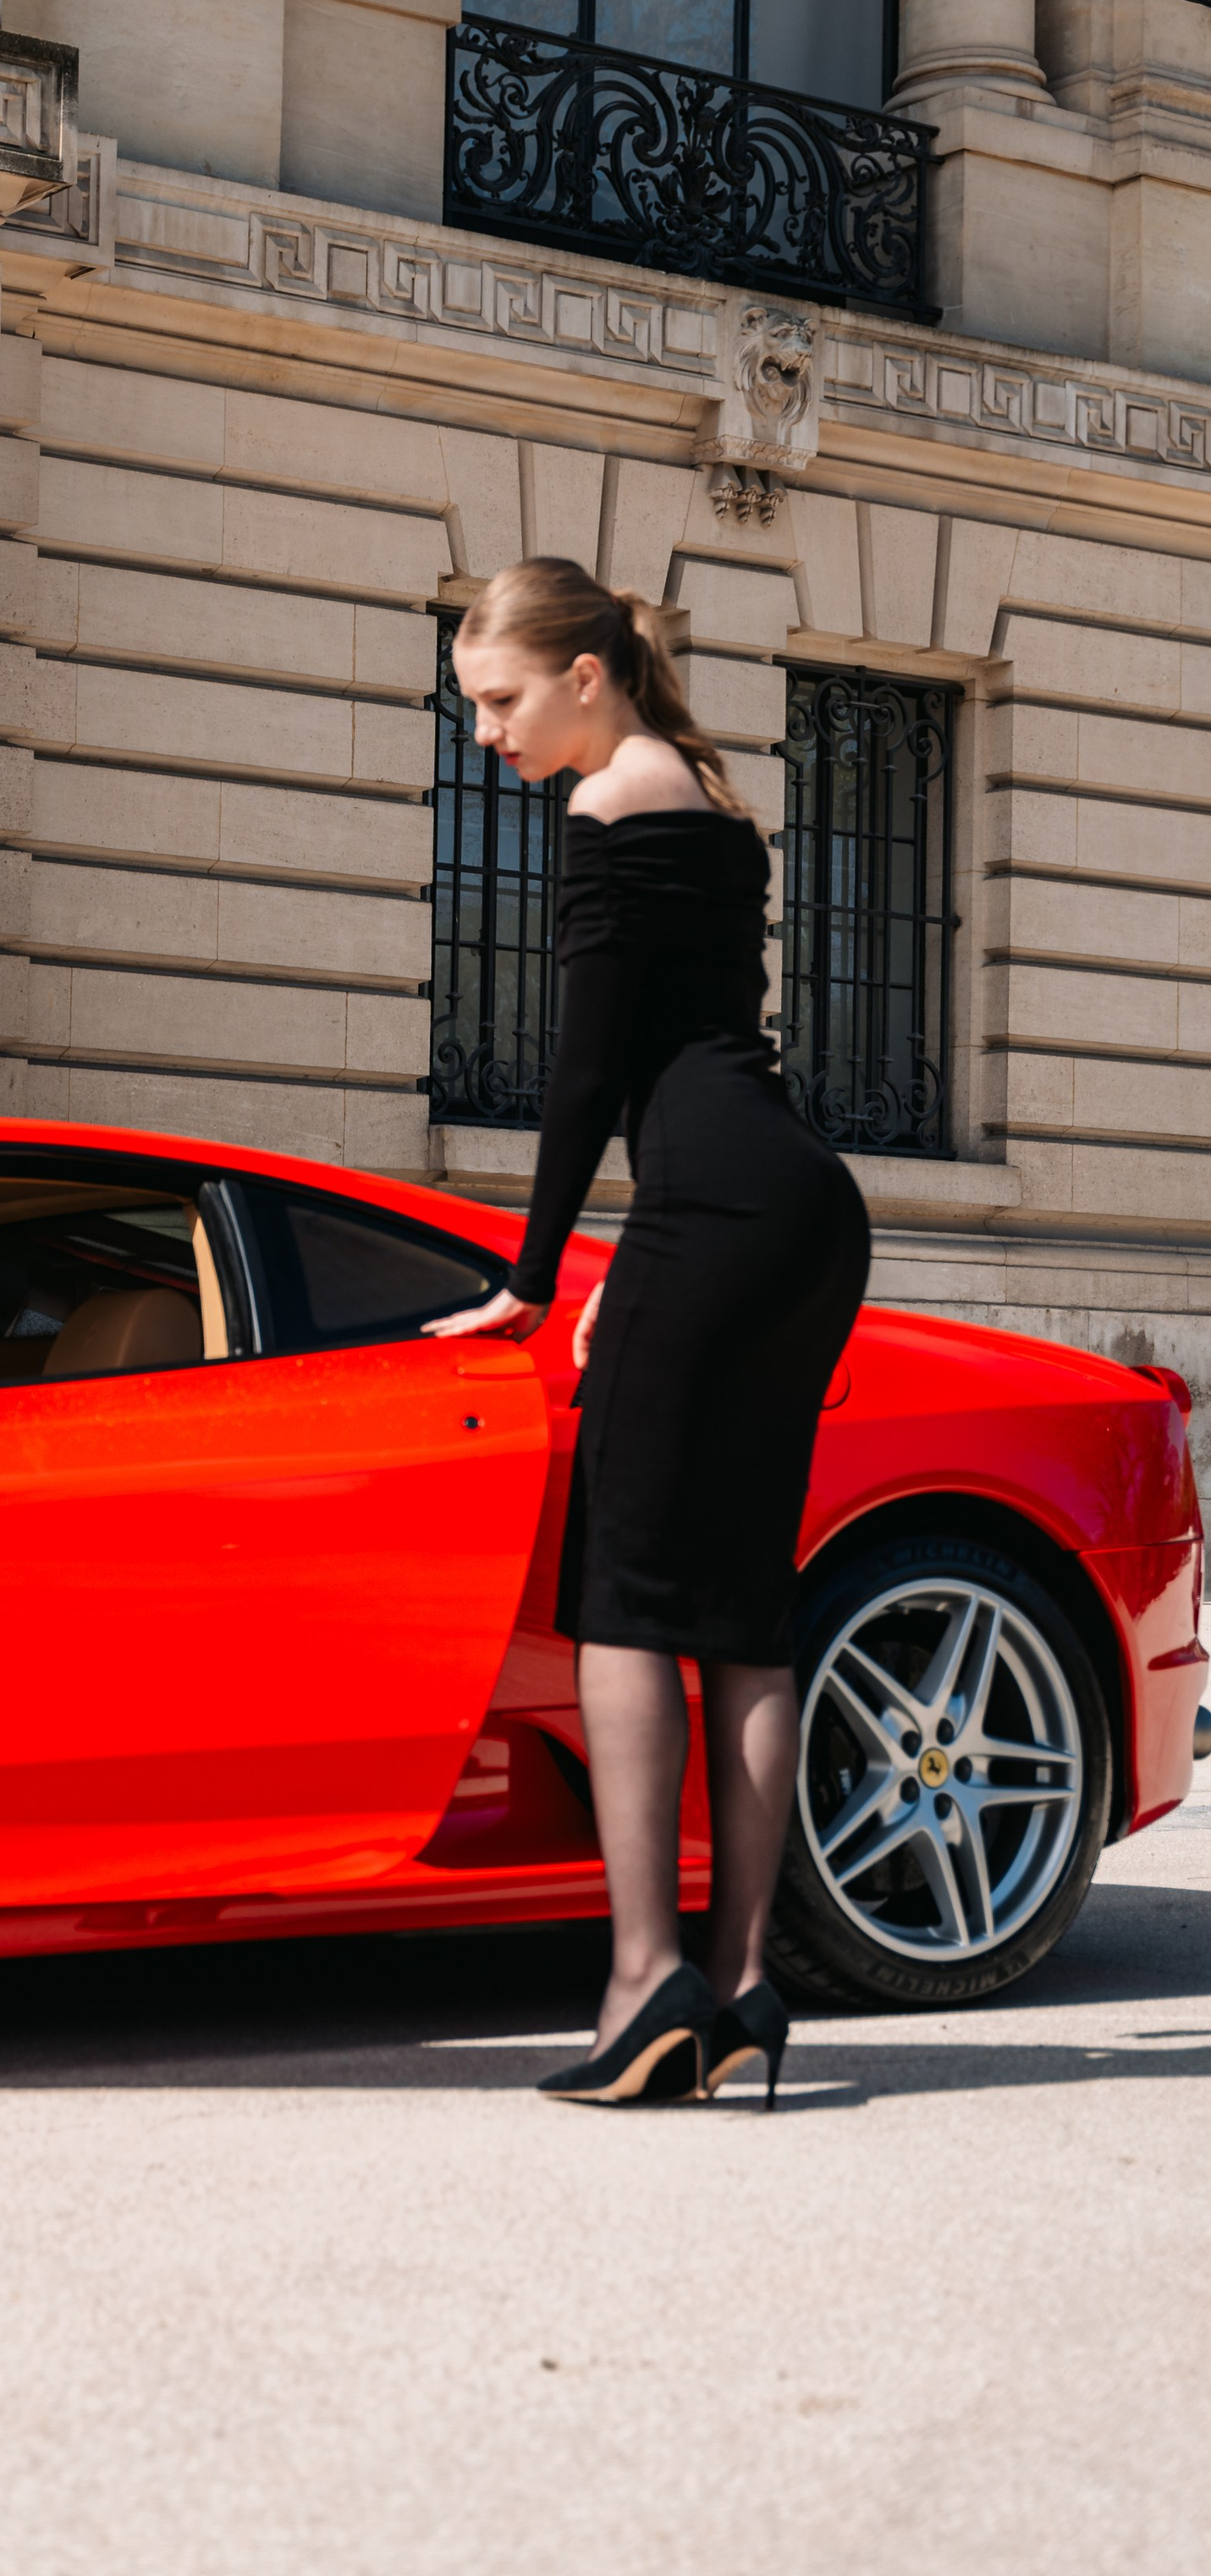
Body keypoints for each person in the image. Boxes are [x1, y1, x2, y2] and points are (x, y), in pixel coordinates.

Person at [427, 559, 868, 2107]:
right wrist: (647, 1242)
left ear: (587, 675)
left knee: (622, 1594)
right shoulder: (711, 794)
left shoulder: (607, 802)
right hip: (800, 1210)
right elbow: (698, 1053)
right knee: (744, 1614)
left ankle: (640, 1981)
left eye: (501, 700)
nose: (487, 735)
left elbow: (592, 1067)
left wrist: (538, 1271)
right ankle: (743, 1984)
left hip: (717, 1211)